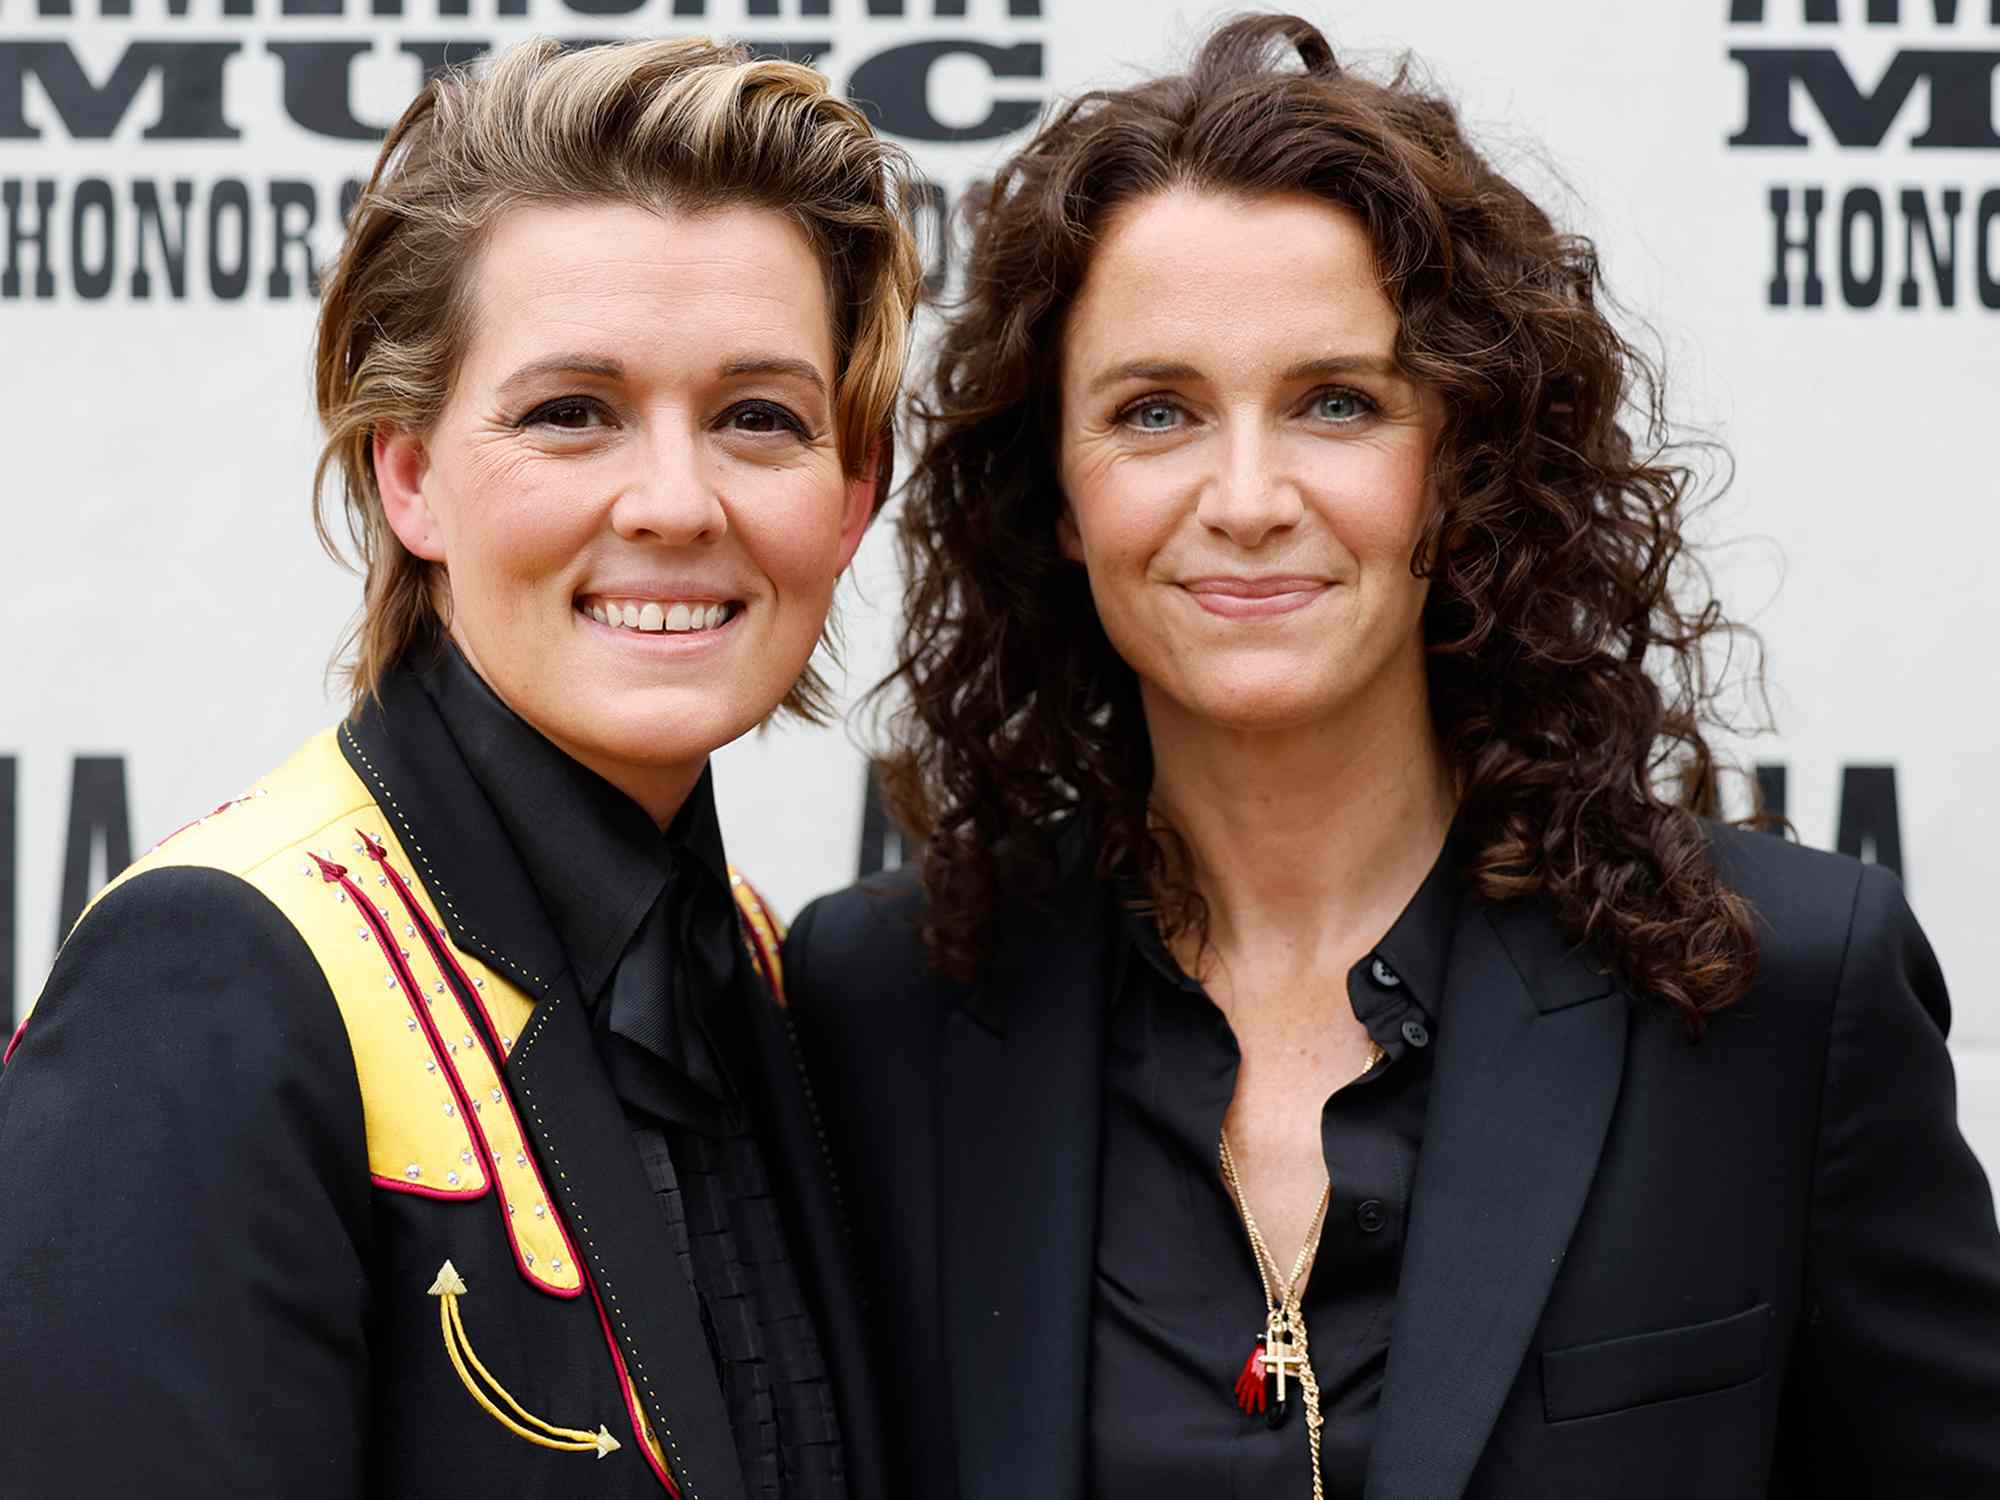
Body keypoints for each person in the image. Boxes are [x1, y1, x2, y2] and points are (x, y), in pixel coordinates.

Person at [781, 14, 2000, 1500]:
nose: (1245, 497)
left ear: (1466, 460)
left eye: (1336, 403)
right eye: (1155, 410)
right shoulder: (880, 1005)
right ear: (1056, 490)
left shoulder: (1776, 992)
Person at [0, 35, 921, 1500]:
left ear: (853, 490)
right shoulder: (219, 975)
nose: (676, 503)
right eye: (574, 412)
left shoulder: (759, 962)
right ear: (408, 472)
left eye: (760, 417)